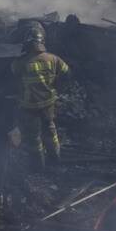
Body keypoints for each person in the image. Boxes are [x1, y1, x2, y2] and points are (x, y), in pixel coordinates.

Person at [11, 22, 70, 169]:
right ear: (43, 40)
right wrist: (58, 87)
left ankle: (38, 166)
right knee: (51, 131)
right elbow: (67, 73)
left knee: (34, 137)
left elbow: (13, 78)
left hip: (30, 106)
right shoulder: (54, 59)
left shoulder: (20, 62)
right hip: (48, 103)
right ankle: (55, 161)